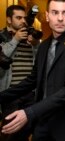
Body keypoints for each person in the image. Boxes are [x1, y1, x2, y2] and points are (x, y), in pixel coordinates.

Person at [0, 0, 65, 141]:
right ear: (47, 16)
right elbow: (32, 80)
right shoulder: (43, 46)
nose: (60, 18)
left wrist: (29, 113)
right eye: (55, 12)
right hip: (43, 125)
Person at [0, 5, 37, 141]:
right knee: (9, 133)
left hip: (30, 93)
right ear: (9, 19)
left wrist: (35, 44)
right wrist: (15, 39)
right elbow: (3, 58)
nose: (23, 21)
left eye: (24, 18)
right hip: (11, 94)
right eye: (18, 17)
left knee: (27, 131)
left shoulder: (29, 37)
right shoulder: (2, 36)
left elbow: (40, 62)